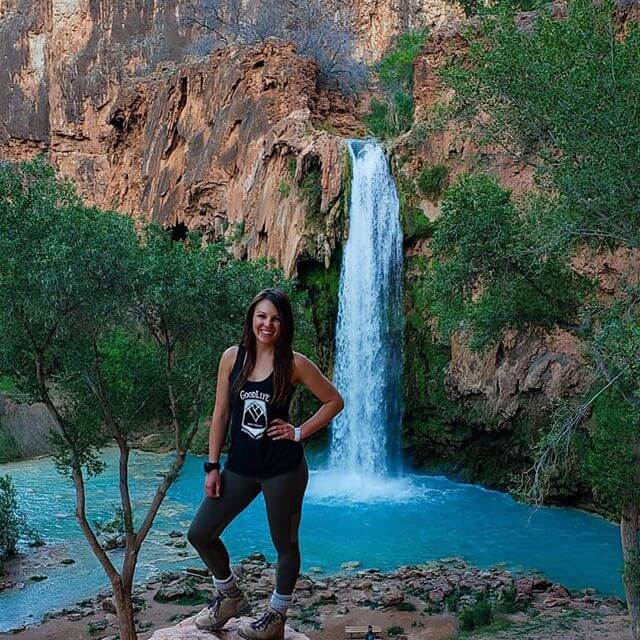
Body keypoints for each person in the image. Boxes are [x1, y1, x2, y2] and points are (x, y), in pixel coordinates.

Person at [187, 287, 344, 640]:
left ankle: (276, 617)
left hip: (283, 470)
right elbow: (221, 413)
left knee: (284, 546)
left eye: (275, 318)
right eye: (261, 316)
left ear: (284, 323)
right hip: (240, 468)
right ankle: (229, 596)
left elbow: (334, 400)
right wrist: (212, 467)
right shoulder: (232, 358)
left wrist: (299, 431)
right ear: (251, 319)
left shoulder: (295, 364)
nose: (267, 324)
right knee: (199, 532)